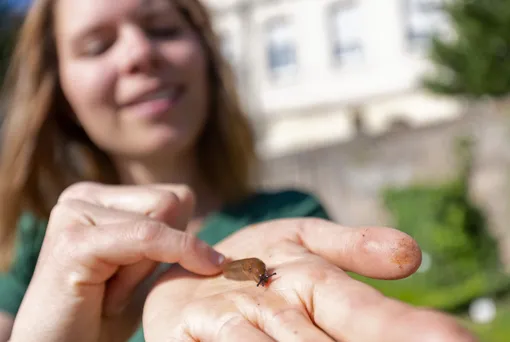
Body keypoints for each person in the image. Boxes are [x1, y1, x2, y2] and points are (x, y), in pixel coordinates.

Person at [0, 0, 477, 341]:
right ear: (60, 91)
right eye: (97, 45)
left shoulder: (292, 216)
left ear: (207, 54)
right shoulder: (42, 240)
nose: (137, 54)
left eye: (162, 27)